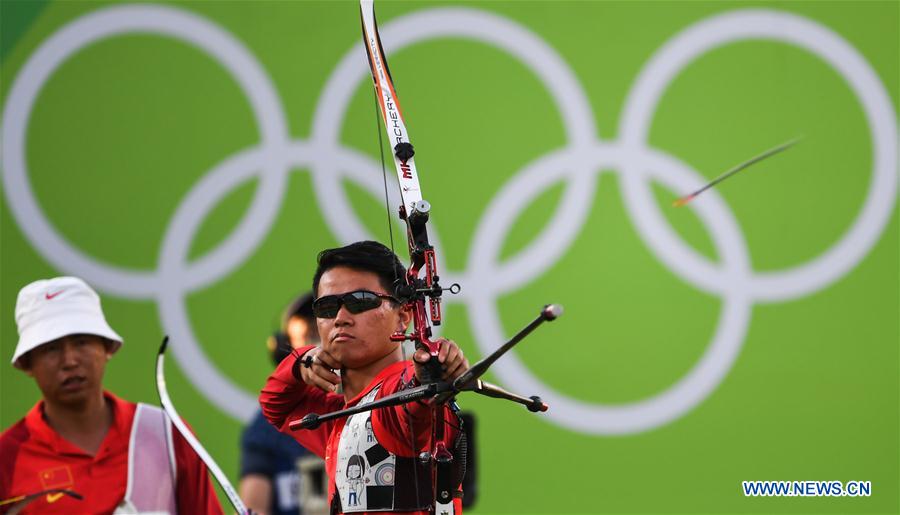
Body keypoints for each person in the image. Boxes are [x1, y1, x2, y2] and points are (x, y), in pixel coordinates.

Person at [259, 241, 470, 514]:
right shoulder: (336, 419)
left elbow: (409, 406)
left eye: (360, 301)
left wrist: (429, 379)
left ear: (403, 316)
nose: (340, 318)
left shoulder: (397, 393)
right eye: (327, 307)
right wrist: (301, 362)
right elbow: (275, 404)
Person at [0, 276, 223, 514]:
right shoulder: (6, 458)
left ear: (106, 347)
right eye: (51, 348)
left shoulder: (166, 434)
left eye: (81, 342)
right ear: (27, 364)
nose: (69, 360)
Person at [240, 293, 320, 515]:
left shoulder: (374, 404)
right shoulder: (266, 426)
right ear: (283, 349)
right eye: (310, 334)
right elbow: (254, 509)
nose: (318, 346)